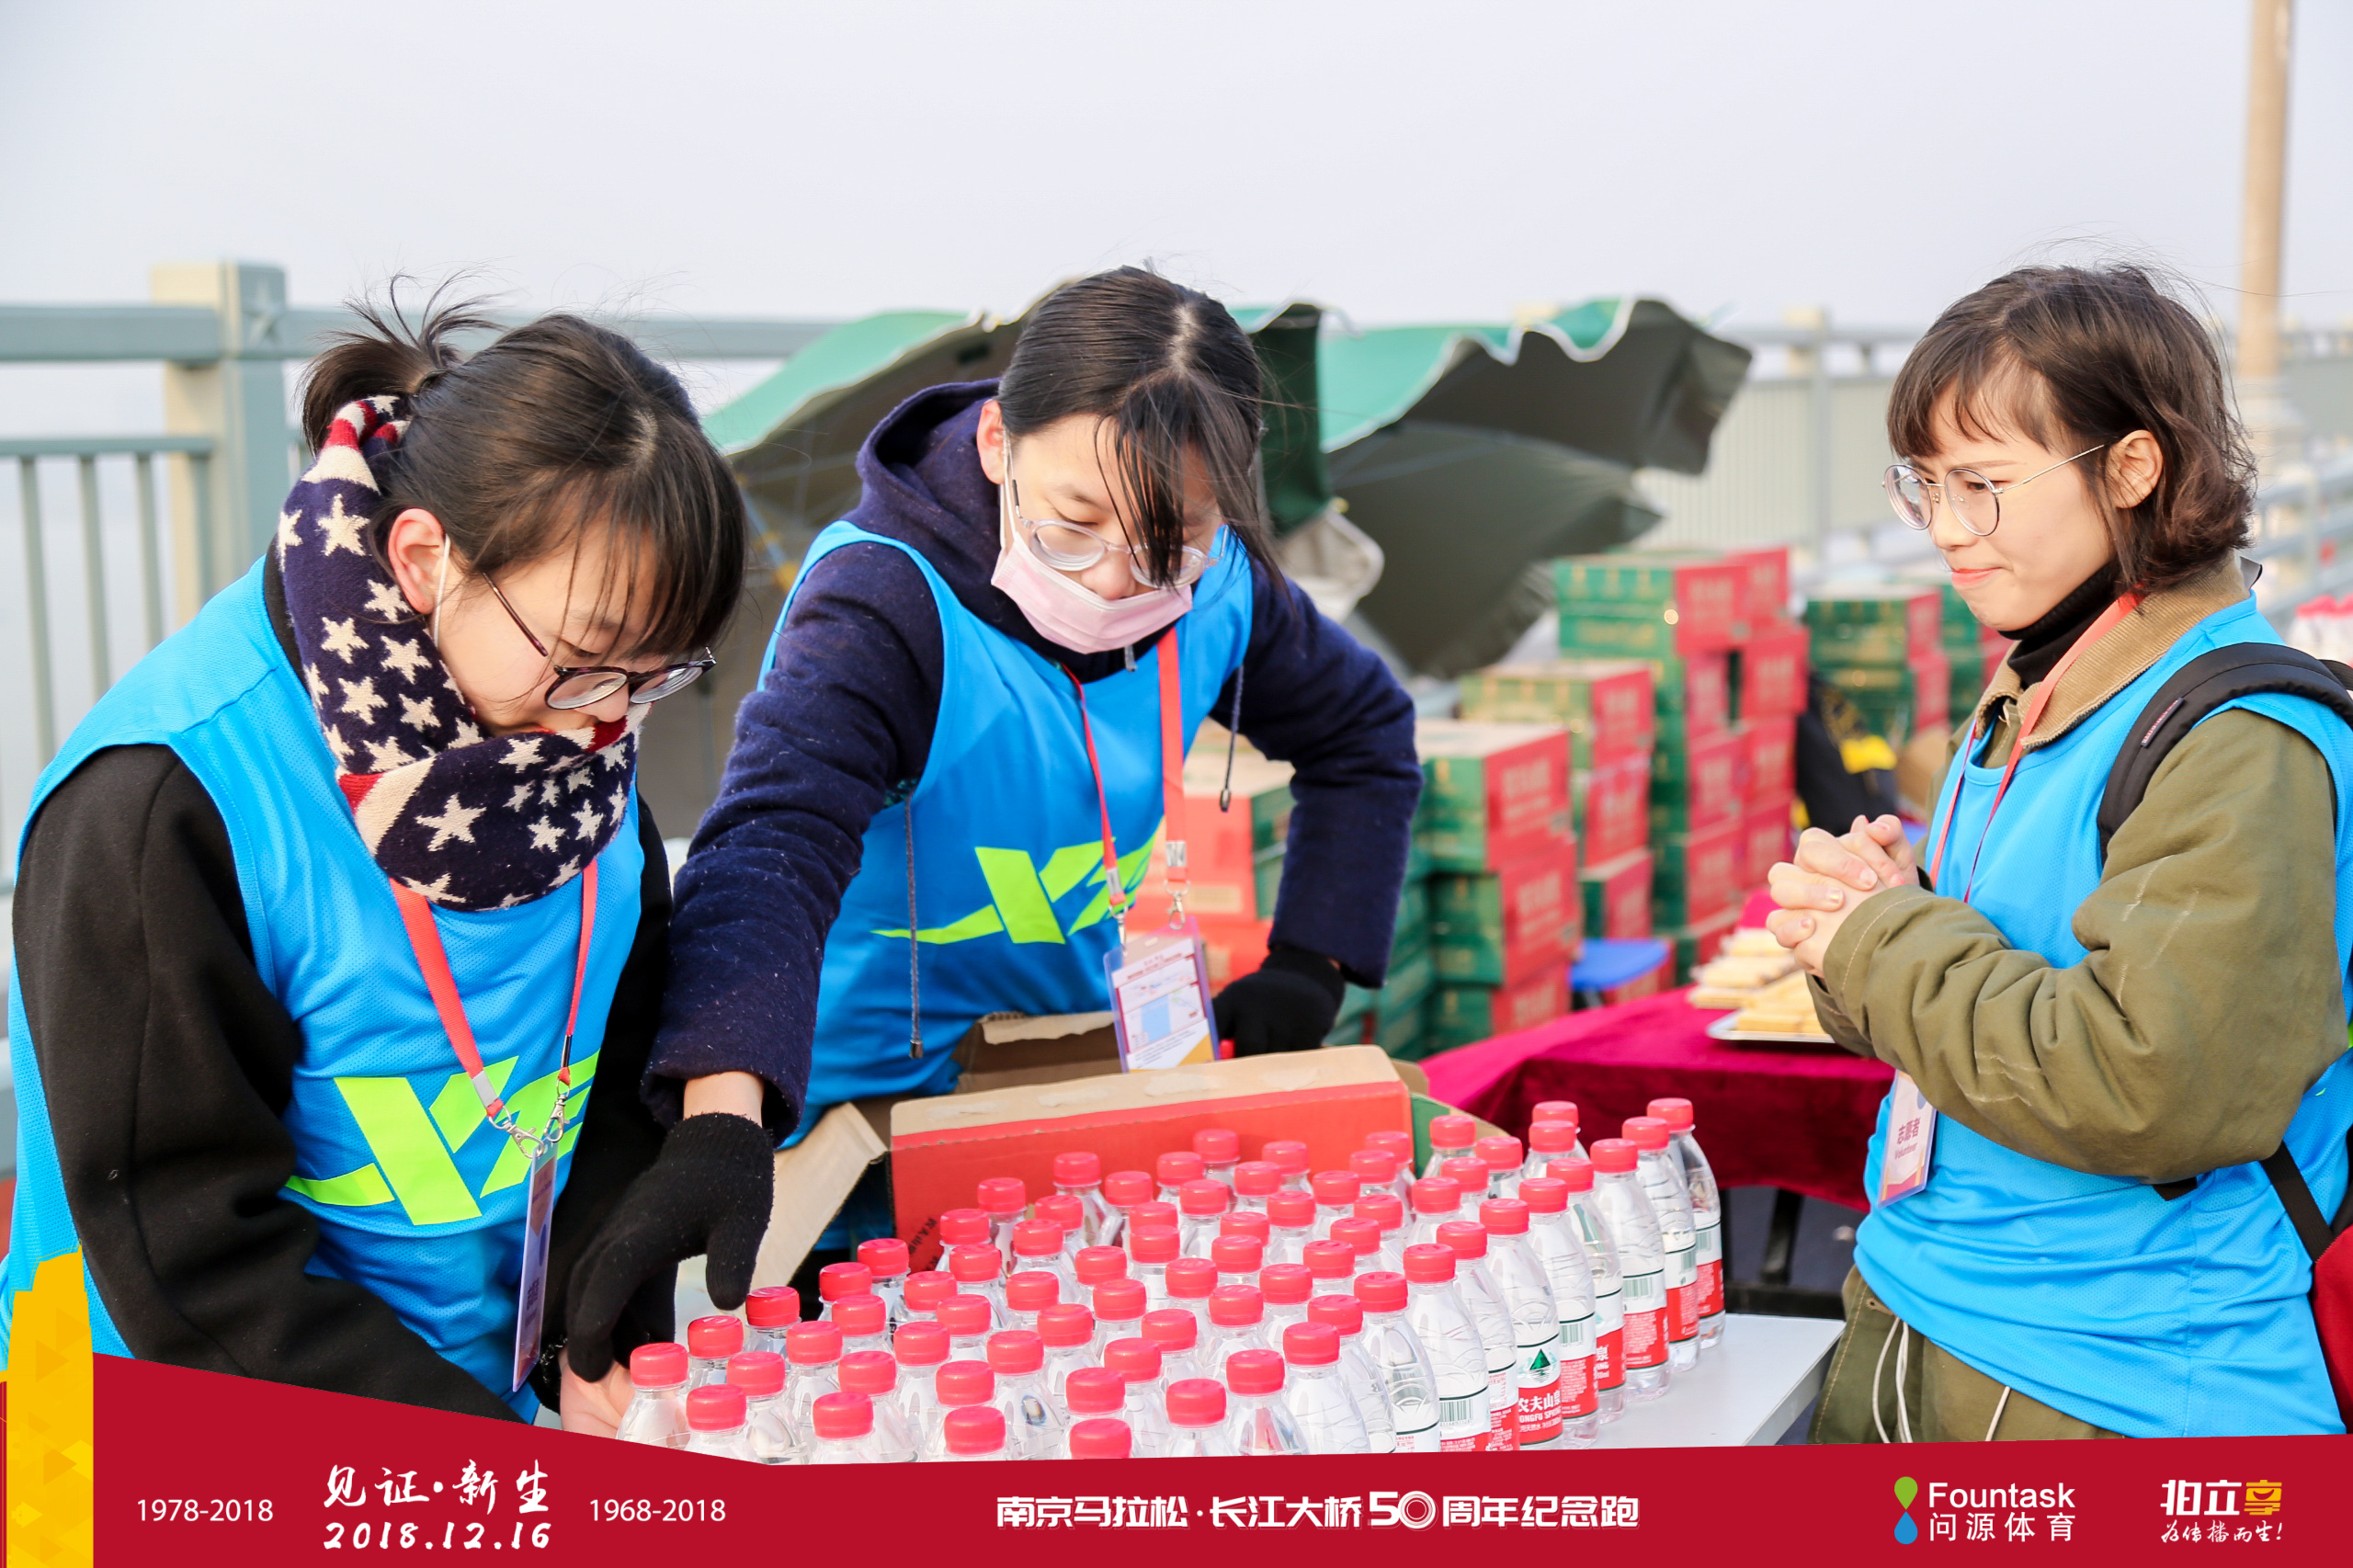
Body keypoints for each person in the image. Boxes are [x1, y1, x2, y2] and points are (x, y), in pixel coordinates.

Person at [561, 267, 1423, 1378]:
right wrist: (721, 1115)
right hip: (861, 1144)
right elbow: (773, 839)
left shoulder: (1220, 589)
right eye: (1074, 524)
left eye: (1166, 544)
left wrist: (1313, 958)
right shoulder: (885, 604)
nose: (1111, 581)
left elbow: (1364, 732)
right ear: (996, 443)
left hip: (1067, 1105)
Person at [2, 297, 749, 1432]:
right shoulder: (166, 801)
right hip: (170, 1439)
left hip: (475, 1417)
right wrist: (480, 1463)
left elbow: (610, 1074)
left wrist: (592, 1332)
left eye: (659, 674)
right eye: (588, 660)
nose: (610, 722)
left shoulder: (571, 739)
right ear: (423, 559)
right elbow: (187, 1255)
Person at [1768, 264, 2351, 1440]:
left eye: (1982, 484)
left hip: (2115, 1372)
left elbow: (2152, 1084)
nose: (1945, 527)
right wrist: (1862, 921)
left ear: (2131, 468)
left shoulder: (2240, 737)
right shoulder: (2042, 678)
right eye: (1923, 483)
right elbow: (1986, 982)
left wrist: (1878, 937)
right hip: (1931, 1291)